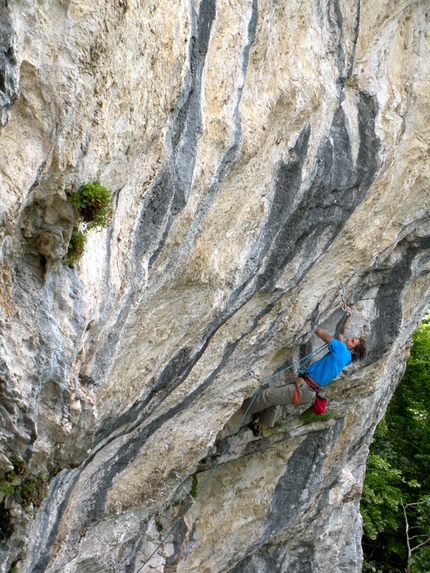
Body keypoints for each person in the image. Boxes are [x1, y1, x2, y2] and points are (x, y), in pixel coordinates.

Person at [241, 310, 367, 436]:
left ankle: (239, 411)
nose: (349, 339)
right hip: (306, 389)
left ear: (354, 351)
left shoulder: (341, 350)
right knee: (275, 397)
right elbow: (340, 332)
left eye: (352, 341)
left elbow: (322, 334)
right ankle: (259, 425)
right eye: (352, 338)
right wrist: (346, 317)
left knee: (267, 395)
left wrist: (308, 320)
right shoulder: (347, 359)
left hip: (304, 389)